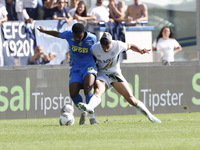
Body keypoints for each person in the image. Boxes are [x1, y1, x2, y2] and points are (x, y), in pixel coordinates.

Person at [78, 32, 162, 124]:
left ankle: (151, 116)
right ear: (100, 44)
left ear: (111, 43)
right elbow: (91, 61)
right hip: (103, 75)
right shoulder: (95, 48)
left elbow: (130, 46)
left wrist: (141, 51)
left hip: (115, 74)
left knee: (131, 99)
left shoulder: (117, 44)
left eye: (107, 47)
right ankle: (90, 107)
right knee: (98, 90)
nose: (105, 49)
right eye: (103, 47)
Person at [37, 23, 98, 125]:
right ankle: (83, 110)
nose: (77, 39)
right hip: (76, 68)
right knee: (73, 93)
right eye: (75, 36)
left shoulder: (92, 38)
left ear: (83, 33)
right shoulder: (69, 35)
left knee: (88, 88)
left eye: (79, 36)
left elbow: (97, 51)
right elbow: (57, 34)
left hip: (89, 66)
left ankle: (92, 118)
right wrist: (44, 31)